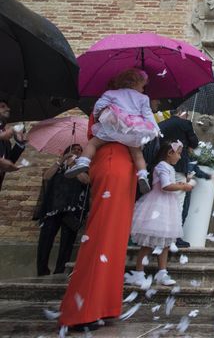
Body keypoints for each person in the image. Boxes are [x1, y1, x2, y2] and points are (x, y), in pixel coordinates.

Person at [58, 129, 137, 332]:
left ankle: (102, 305)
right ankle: (82, 311)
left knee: (114, 241)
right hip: (113, 161)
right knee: (102, 237)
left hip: (125, 165)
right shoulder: (114, 104)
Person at [66, 68, 159, 194]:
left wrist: (100, 115)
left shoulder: (111, 93)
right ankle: (142, 175)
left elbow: (98, 106)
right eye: (142, 86)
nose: (143, 89)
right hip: (131, 129)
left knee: (93, 143)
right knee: (137, 153)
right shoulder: (143, 98)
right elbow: (147, 115)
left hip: (114, 126)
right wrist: (154, 129)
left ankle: (83, 161)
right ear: (135, 84)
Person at [127, 140, 195, 286]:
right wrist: (183, 187)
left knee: (166, 242)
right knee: (148, 242)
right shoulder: (162, 166)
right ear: (169, 153)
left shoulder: (168, 167)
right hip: (158, 206)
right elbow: (165, 185)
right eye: (178, 153)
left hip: (167, 206)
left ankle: (162, 272)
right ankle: (139, 272)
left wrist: (181, 185)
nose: (180, 157)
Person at [35, 144, 89, 276]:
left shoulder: (82, 168)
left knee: (67, 243)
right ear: (67, 151)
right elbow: (47, 177)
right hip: (53, 209)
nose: (77, 151)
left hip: (71, 211)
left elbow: (86, 181)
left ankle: (59, 271)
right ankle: (42, 271)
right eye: (74, 149)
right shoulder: (58, 167)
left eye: (80, 150)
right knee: (45, 242)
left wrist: (73, 166)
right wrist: (62, 160)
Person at [158, 109, 199, 247]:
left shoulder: (162, 124)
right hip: (180, 167)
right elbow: (194, 143)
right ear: (181, 111)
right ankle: (175, 237)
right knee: (180, 203)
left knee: (164, 202)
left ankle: (162, 233)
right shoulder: (185, 124)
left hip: (162, 165)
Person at [0, 99, 27, 191]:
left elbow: (8, 162)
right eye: (3, 106)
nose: (8, 109)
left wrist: (19, 143)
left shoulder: (6, 141)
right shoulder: (4, 134)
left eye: (7, 106)